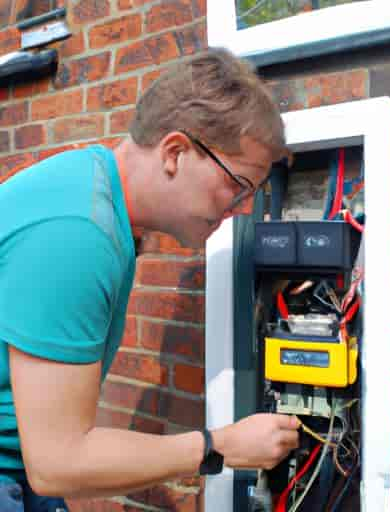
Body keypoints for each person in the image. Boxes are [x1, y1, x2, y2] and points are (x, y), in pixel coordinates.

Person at [0, 48, 300, 511]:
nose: (242, 208)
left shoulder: (95, 195)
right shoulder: (78, 233)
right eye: (238, 185)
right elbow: (59, 462)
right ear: (175, 152)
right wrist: (218, 447)